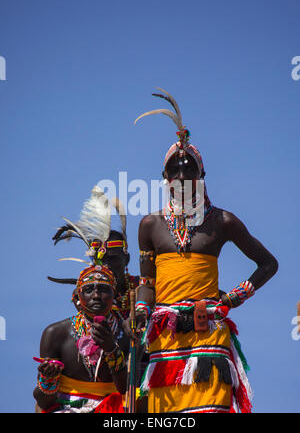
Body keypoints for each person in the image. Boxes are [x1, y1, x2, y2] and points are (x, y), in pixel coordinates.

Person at [132, 88, 279, 413]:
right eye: (175, 172)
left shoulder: (222, 221)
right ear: (165, 178)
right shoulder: (149, 225)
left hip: (208, 331)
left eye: (190, 171)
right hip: (164, 338)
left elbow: (268, 264)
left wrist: (234, 297)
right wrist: (142, 310)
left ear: (202, 176)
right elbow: (147, 281)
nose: (182, 177)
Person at [33, 263, 128, 413]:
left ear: (115, 295)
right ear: (78, 296)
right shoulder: (56, 333)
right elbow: (44, 403)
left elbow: (126, 388)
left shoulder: (128, 332)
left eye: (103, 290)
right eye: (89, 290)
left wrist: (111, 348)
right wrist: (48, 379)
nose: (96, 296)